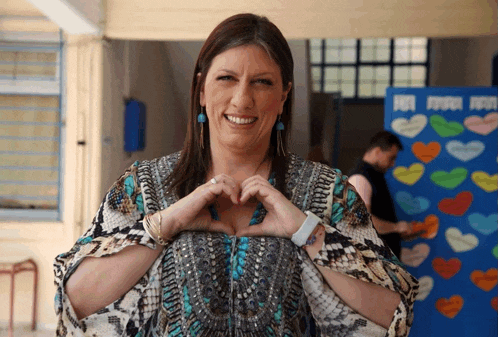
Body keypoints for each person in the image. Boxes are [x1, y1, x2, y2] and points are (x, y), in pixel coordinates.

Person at [53, 14, 418, 337]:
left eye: (262, 82)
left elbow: (393, 313)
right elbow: (75, 302)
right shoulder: (143, 186)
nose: (243, 100)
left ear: (283, 97)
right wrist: (165, 224)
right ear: (200, 90)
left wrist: (306, 231)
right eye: (227, 78)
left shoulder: (329, 192)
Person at [348, 131, 412, 259]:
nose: (393, 164)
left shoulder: (375, 176)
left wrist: (398, 232)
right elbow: (363, 220)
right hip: (373, 263)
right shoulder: (360, 178)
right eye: (391, 158)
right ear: (378, 151)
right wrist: (396, 227)